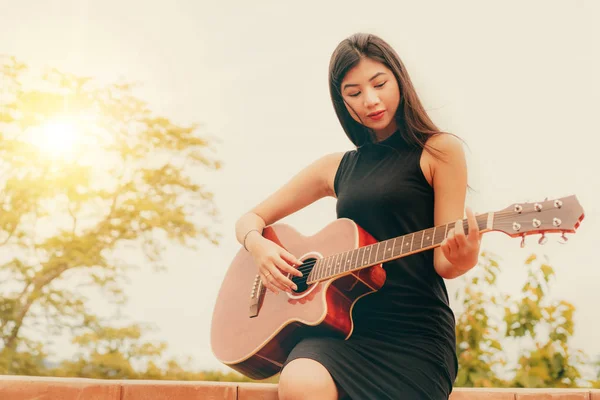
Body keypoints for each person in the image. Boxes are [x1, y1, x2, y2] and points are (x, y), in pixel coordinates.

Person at [235, 32, 482, 400]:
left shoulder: (440, 151)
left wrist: (465, 257)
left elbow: (444, 261)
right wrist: (259, 248)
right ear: (342, 102)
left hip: (414, 336)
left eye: (379, 83)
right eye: (353, 93)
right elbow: (250, 218)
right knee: (299, 378)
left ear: (398, 78)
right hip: (341, 332)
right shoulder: (334, 168)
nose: (370, 100)